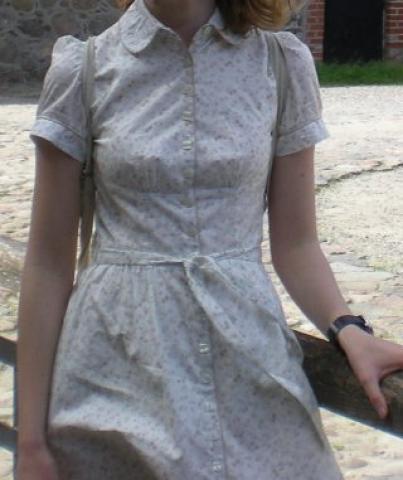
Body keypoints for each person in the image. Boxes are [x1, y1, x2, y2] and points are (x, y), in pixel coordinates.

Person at [16, 0, 403, 479]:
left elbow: (297, 245)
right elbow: (48, 263)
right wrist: (30, 442)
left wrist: (349, 330)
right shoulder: (84, 68)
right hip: (114, 370)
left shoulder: (281, 64)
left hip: (249, 360)